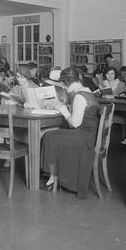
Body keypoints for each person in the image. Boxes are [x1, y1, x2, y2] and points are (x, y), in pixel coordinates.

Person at [40, 67, 101, 197]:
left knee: (48, 136)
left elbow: (75, 123)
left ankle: (53, 176)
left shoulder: (79, 96)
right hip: (89, 135)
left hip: (83, 138)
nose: (63, 87)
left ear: (67, 82)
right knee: (54, 134)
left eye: (63, 84)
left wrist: (64, 110)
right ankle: (54, 175)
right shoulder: (88, 91)